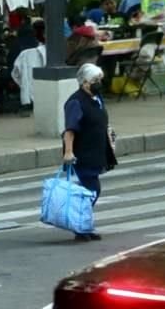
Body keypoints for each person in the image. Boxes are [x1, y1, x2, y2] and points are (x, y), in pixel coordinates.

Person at [63, 63, 117, 242]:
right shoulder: (76, 102)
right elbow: (70, 130)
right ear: (84, 83)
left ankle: (84, 226)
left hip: (96, 151)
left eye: (99, 79)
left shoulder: (97, 98)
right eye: (95, 80)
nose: (98, 83)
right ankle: (80, 227)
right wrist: (69, 152)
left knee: (89, 191)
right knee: (92, 189)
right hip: (82, 154)